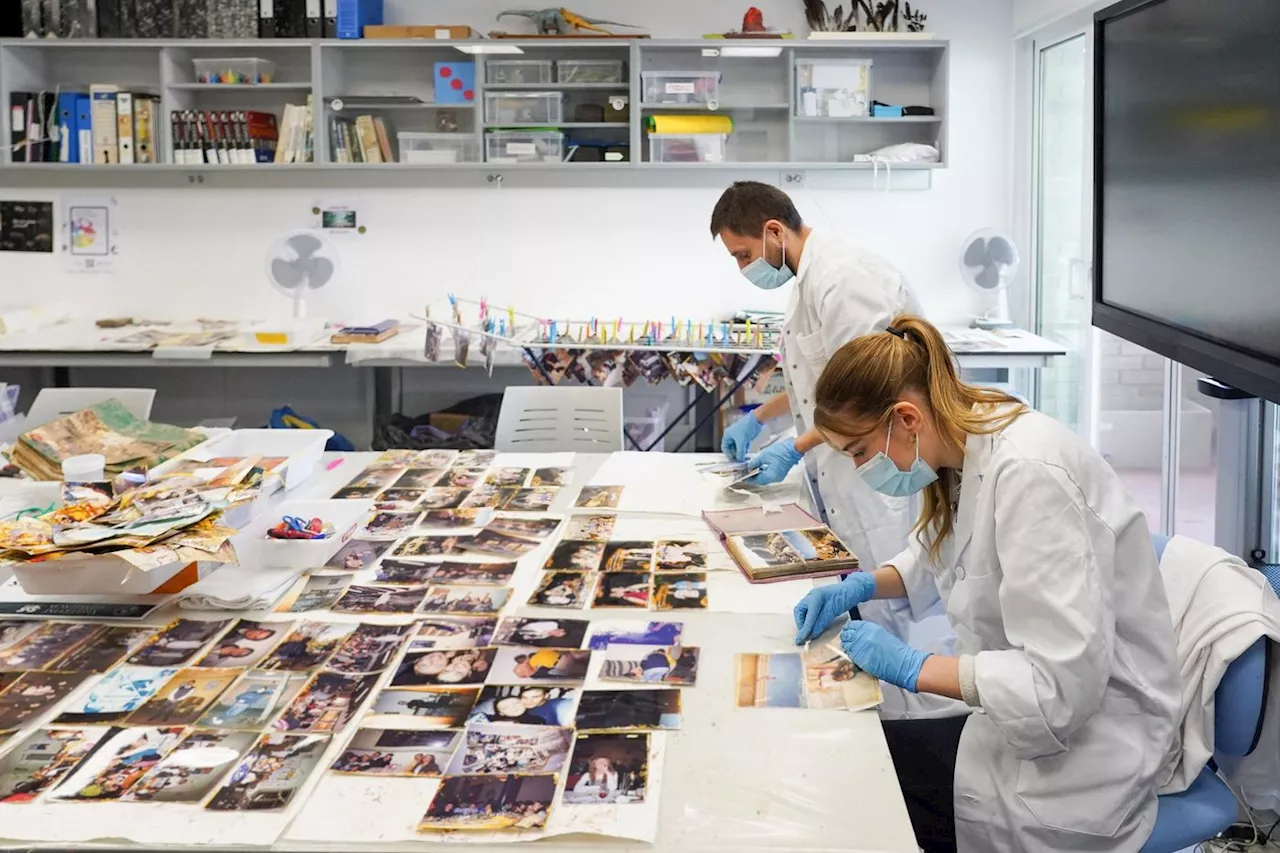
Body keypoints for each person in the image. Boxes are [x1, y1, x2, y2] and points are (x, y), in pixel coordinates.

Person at [792, 313, 1180, 852]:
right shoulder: (962, 444)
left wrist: (914, 668)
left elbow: (1057, 687)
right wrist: (860, 587)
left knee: (857, 803)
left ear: (906, 417)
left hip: (1084, 755)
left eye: (859, 453)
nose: (860, 468)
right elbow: (938, 559)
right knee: (853, 762)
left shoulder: (1029, 474)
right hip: (1008, 722)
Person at [711, 181, 957, 720]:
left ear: (774, 230)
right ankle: (885, 716)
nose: (743, 269)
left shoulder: (846, 279)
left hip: (879, 465)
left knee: (890, 612)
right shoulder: (807, 281)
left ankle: (903, 730)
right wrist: (760, 417)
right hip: (848, 465)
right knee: (863, 600)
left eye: (744, 255)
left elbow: (866, 396)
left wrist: (794, 447)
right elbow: (814, 378)